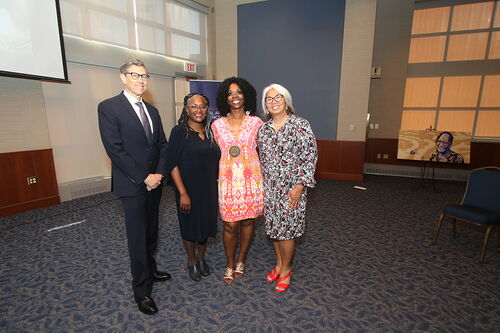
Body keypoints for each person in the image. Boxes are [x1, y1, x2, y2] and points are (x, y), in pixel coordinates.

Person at [97, 58, 170, 315]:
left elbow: (162, 145)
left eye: (145, 76)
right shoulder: (108, 108)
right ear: (123, 77)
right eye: (135, 75)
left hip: (155, 183)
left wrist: (159, 173)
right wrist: (144, 177)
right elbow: (114, 149)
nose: (141, 80)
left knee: (151, 232)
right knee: (138, 238)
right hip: (133, 185)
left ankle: (150, 270)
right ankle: (142, 291)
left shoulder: (152, 111)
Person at [257, 83, 318, 292]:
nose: (274, 102)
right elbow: (262, 161)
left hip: (292, 189)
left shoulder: (301, 125)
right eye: (269, 99)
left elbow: (310, 157)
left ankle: (287, 269)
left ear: (286, 101)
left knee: (288, 232)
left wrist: (300, 185)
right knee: (274, 230)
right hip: (270, 188)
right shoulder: (263, 130)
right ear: (265, 105)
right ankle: (278, 264)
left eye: (278, 98)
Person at [211, 77, 264, 284]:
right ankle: (229, 263)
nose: (235, 96)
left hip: (252, 181)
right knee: (230, 225)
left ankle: (241, 259)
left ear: (246, 96)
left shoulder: (257, 124)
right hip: (228, 182)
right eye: (230, 93)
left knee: (249, 221)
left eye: (239, 92)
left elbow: (265, 152)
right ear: (225, 98)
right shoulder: (216, 125)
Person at [167, 93, 220, 282]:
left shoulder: (211, 131)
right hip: (187, 189)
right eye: (194, 106)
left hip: (209, 190)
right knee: (189, 226)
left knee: (205, 226)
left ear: (207, 109)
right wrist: (182, 193)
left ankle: (201, 257)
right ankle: (191, 260)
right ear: (186, 108)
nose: (199, 110)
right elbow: (172, 163)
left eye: (203, 106)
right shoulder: (179, 132)